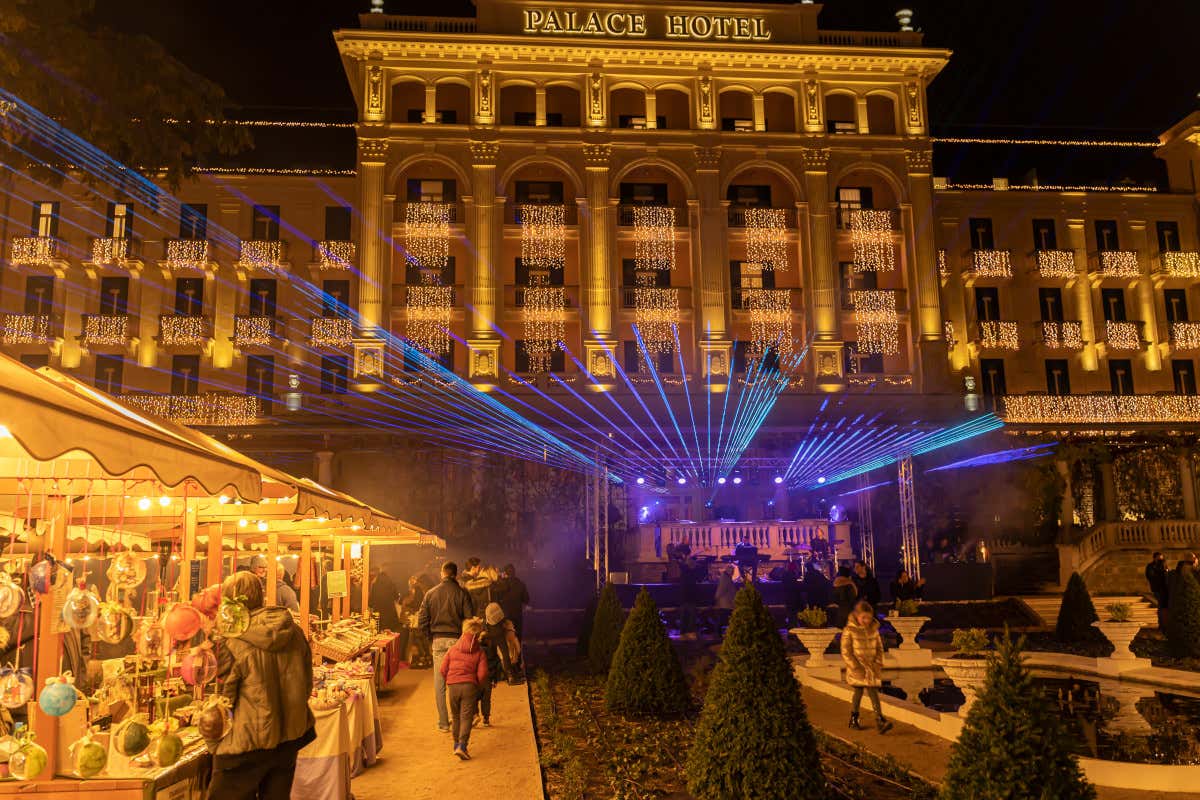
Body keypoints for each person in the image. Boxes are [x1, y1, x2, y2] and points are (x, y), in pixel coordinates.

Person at [206, 571, 315, 800]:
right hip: (287, 742)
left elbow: (221, 704)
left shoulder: (232, 640)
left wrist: (210, 737)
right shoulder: (293, 632)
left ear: (231, 601)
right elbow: (306, 685)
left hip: (244, 747)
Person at [417, 561, 475, 732]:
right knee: (459, 680)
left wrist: (431, 638)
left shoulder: (430, 593)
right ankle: (459, 720)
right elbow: (469, 620)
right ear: (455, 575)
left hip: (438, 641)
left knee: (439, 682)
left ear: (443, 574)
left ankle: (443, 723)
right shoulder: (462, 593)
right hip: (457, 642)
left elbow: (422, 621)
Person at [840, 600, 893, 734]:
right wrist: (855, 667)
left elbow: (880, 648)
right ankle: (855, 718)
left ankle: (879, 719)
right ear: (856, 616)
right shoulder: (849, 630)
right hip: (858, 667)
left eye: (869, 617)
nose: (866, 620)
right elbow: (846, 651)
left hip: (871, 667)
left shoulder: (873, 630)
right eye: (863, 617)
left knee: (873, 691)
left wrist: (878, 663)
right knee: (858, 692)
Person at [439, 619, 488, 760]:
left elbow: (443, 669)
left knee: (455, 717)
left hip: (453, 686)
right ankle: (462, 745)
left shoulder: (452, 649)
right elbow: (483, 673)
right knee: (466, 717)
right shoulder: (480, 652)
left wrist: (450, 680)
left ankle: (455, 745)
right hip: (469, 687)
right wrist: (476, 684)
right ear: (477, 636)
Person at [482, 601, 522, 688]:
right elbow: (502, 618)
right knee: (505, 654)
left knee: (491, 655)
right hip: (498, 631)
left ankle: (491, 679)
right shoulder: (496, 606)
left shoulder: (487, 606)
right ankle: (510, 678)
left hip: (489, 631)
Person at [494, 564, 531, 638]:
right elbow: (526, 600)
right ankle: (517, 649)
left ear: (505, 573)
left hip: (505, 616)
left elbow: (495, 599)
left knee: (507, 637)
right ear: (515, 572)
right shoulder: (520, 584)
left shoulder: (501, 584)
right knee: (517, 637)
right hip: (517, 616)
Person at [368, 566, 402, 632]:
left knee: (379, 630)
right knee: (390, 632)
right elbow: (397, 597)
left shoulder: (375, 584)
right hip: (390, 612)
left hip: (378, 612)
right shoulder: (391, 584)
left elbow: (371, 601)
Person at [1145, 552, 1169, 628]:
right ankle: (1161, 623)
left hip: (1165, 588)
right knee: (1161, 605)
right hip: (1157, 589)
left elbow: (1167, 574)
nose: (1161, 559)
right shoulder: (1150, 566)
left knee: (1165, 606)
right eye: (1159, 558)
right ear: (1155, 558)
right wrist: (1160, 572)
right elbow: (1151, 577)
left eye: (1162, 558)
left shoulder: (1164, 565)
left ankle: (1165, 623)